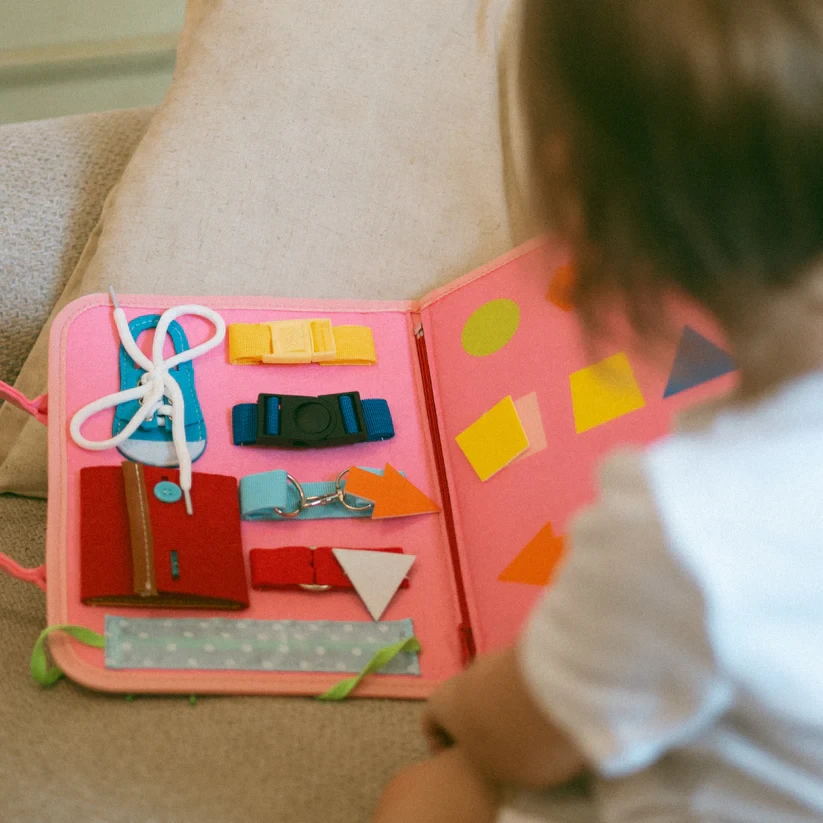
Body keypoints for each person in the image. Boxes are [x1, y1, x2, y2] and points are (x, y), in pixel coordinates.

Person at [374, 1, 823, 820]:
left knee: (426, 795)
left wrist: (458, 708)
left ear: (578, 198)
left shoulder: (683, 524)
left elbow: (526, 734)